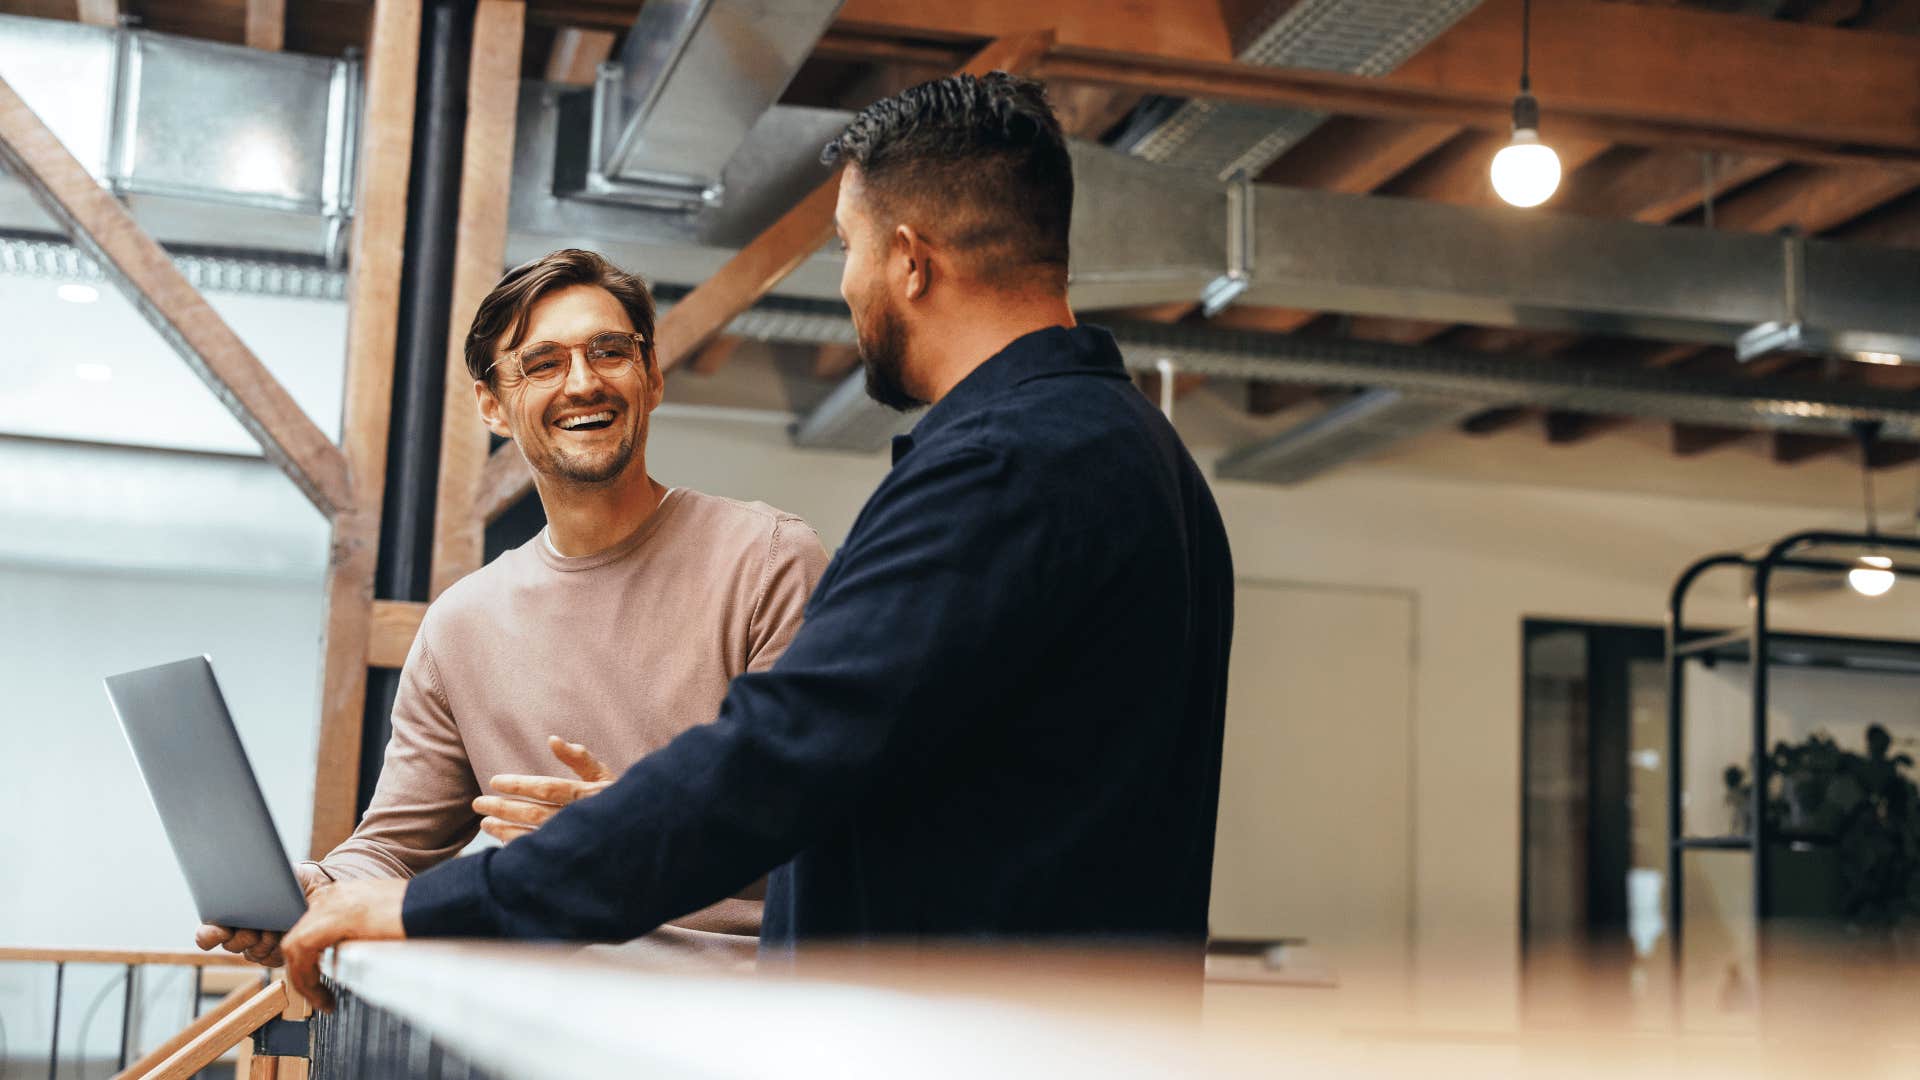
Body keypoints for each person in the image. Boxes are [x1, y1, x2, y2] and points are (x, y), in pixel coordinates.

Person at [283, 72, 1235, 1006]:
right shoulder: (1139, 454)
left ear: (909, 259)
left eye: (848, 247)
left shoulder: (1000, 467)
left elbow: (776, 764)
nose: (850, 283)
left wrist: (448, 902)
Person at [197, 249, 828, 968]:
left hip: (732, 1012)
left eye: (610, 351)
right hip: (531, 1016)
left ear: (651, 377)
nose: (584, 382)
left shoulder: (770, 558)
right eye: (543, 364)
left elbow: (817, 812)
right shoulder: (461, 623)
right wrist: (322, 887)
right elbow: (394, 848)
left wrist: (631, 826)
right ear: (492, 404)